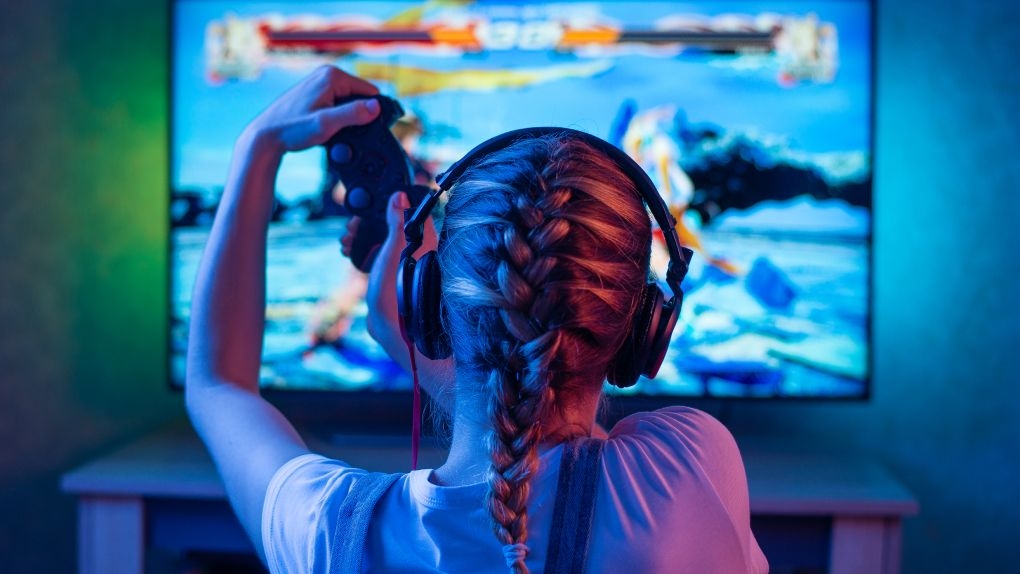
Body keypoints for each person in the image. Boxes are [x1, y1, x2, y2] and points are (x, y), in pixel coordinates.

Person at [186, 65, 768, 573]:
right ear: (642, 328)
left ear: (431, 301)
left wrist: (257, 150)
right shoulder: (690, 467)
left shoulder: (333, 532)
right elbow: (563, 446)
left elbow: (217, 387)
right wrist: (426, 346)